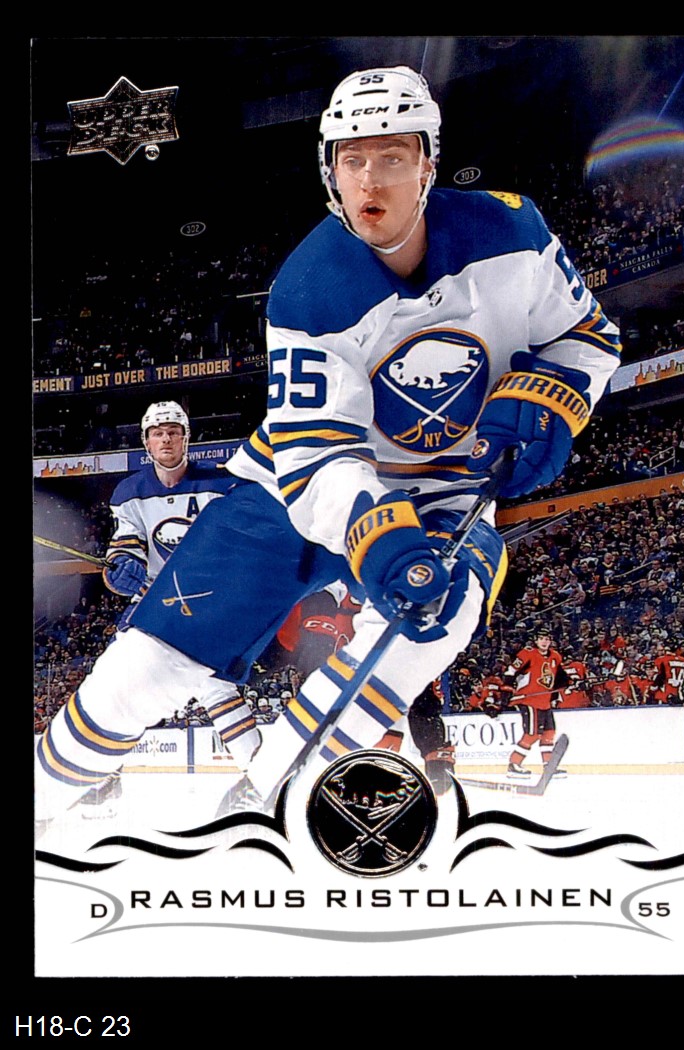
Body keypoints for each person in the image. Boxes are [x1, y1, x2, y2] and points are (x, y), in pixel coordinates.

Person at [35, 66, 620, 825]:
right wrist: (377, 530)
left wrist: (549, 399)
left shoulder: (515, 233)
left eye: (392, 156)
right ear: (329, 171)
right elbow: (321, 458)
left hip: (445, 491)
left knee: (437, 614)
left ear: (429, 164)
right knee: (142, 673)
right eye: (353, 159)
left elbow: (586, 337)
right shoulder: (309, 290)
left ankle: (266, 796)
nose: (370, 179)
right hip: (294, 488)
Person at [77, 402, 261, 817]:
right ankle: (106, 776)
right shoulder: (129, 492)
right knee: (114, 682)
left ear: (186, 438)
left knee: (215, 686)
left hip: (206, 600)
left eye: (174, 431)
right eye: (158, 433)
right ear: (146, 442)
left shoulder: (221, 483)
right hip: (154, 601)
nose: (166, 439)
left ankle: (261, 776)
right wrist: (123, 567)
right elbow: (127, 542)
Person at [504, 626, 569, 778]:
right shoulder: (528, 654)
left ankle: (548, 766)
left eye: (547, 639)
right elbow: (511, 671)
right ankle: (514, 764)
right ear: (536, 641)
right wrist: (507, 690)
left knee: (548, 733)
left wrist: (575, 683)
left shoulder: (555, 657)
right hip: (528, 700)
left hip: (544, 701)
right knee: (532, 734)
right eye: (541, 639)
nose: (544, 642)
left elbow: (560, 678)